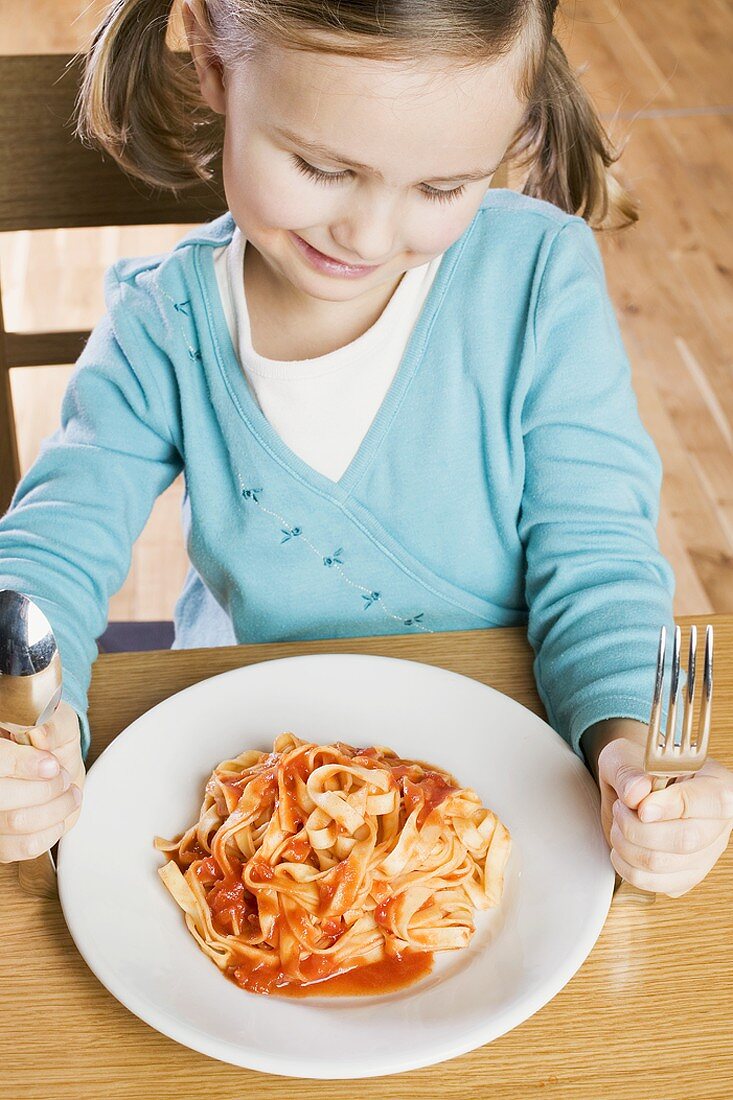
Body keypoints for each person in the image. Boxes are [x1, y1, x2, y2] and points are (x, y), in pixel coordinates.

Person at [0, 0, 731, 895]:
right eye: (321, 166)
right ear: (215, 60)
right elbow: (46, 560)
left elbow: (600, 565)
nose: (372, 237)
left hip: (519, 792)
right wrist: (27, 739)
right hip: (239, 777)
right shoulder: (164, 325)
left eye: (442, 187)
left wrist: (632, 758)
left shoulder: (537, 277)